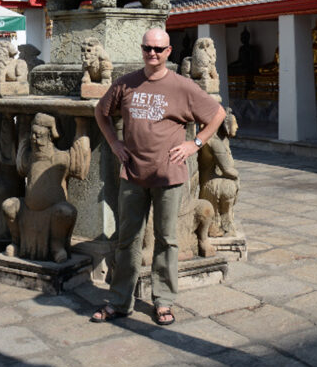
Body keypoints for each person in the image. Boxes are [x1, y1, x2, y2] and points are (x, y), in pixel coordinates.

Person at [91, 27, 226, 326]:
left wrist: (196, 143)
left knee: (167, 239)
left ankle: (163, 301)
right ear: (142, 50)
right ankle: (119, 300)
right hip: (132, 173)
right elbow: (101, 113)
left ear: (168, 52)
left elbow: (217, 113)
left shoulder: (182, 86)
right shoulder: (126, 84)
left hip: (169, 174)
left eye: (158, 49)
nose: (152, 54)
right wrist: (114, 142)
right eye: (147, 48)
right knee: (128, 239)